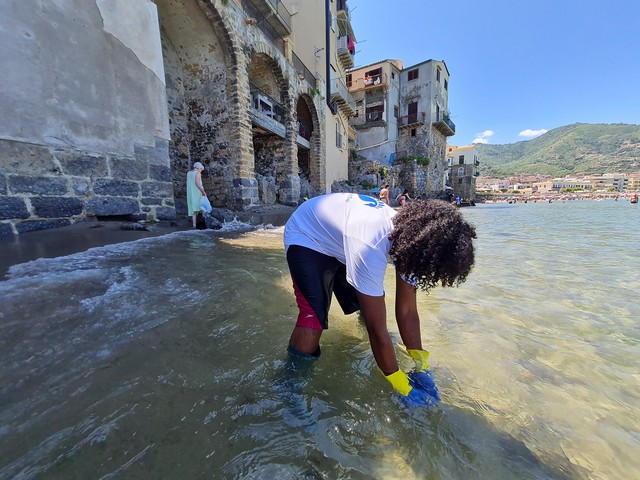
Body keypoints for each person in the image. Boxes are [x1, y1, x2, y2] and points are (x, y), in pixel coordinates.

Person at [283, 193, 476, 406]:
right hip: (307, 235)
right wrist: (399, 382)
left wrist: (421, 363)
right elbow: (378, 330)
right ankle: (289, 386)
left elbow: (408, 312)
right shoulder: (371, 245)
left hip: (342, 237)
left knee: (368, 307)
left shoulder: (413, 244)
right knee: (314, 320)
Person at [186, 161, 207, 229]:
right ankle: (204, 221)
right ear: (199, 168)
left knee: (193, 209)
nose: (201, 171)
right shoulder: (197, 173)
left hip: (190, 192)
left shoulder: (189, 173)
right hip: (197, 192)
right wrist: (203, 191)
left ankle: (194, 225)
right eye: (201, 170)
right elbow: (197, 183)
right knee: (201, 206)